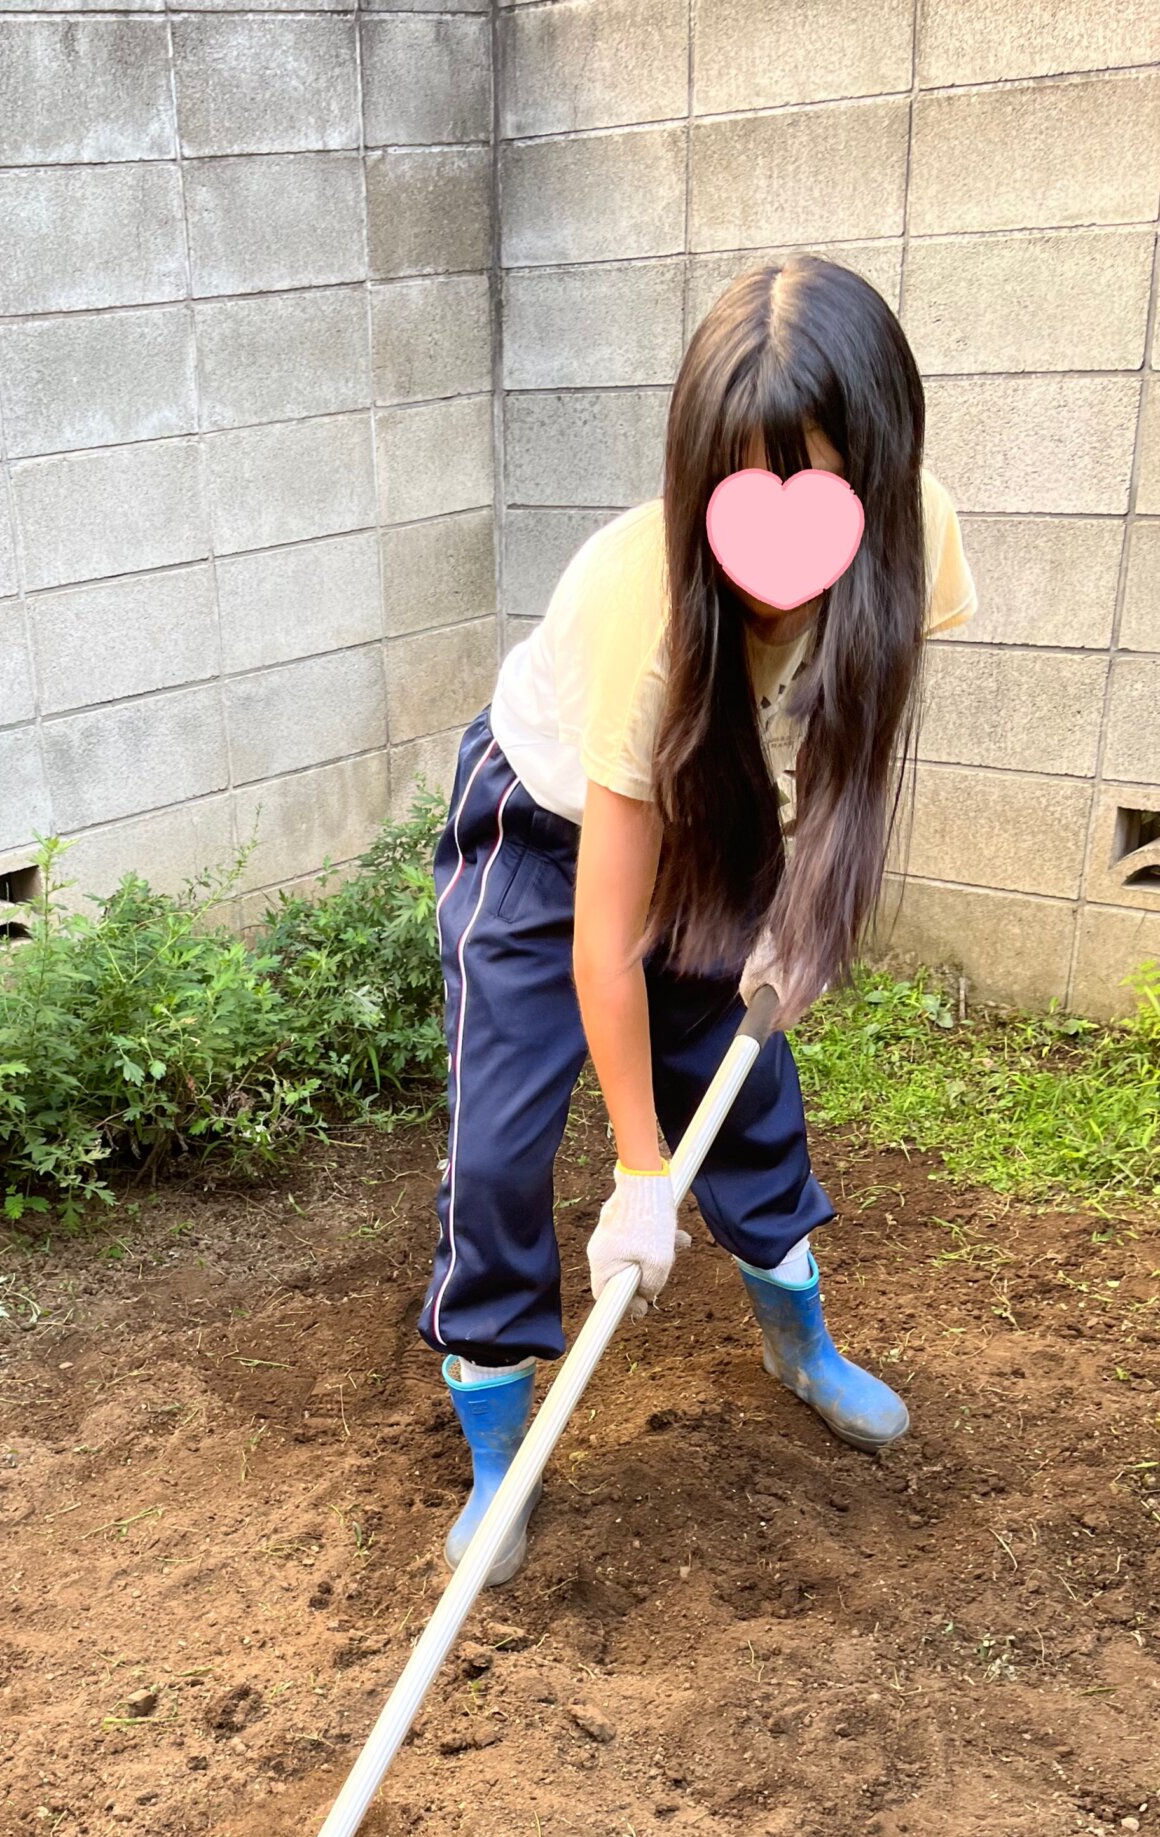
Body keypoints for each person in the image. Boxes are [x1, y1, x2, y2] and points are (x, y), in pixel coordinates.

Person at [423, 253, 977, 1583]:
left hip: (716, 802)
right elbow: (602, 934)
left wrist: (801, 906)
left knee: (742, 1086)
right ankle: (502, 1448)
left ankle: (803, 1348)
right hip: (545, 832)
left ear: (879, 473)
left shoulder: (917, 529)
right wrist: (635, 1172)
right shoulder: (643, 604)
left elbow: (858, 738)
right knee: (501, 1144)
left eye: (823, 487)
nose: (783, 561)